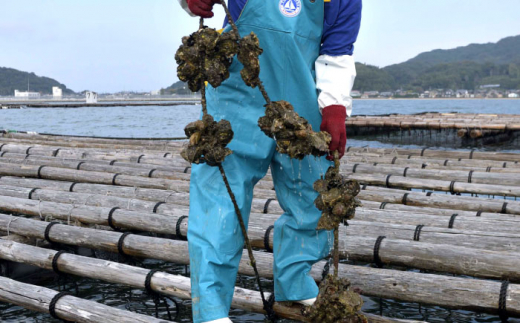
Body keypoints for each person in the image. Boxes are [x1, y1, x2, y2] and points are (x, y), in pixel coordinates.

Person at [177, 0, 362, 322]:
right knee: (221, 198)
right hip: (236, 95)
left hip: (305, 98)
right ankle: (210, 309)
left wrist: (335, 107)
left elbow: (338, 49)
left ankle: (294, 282)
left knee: (313, 195)